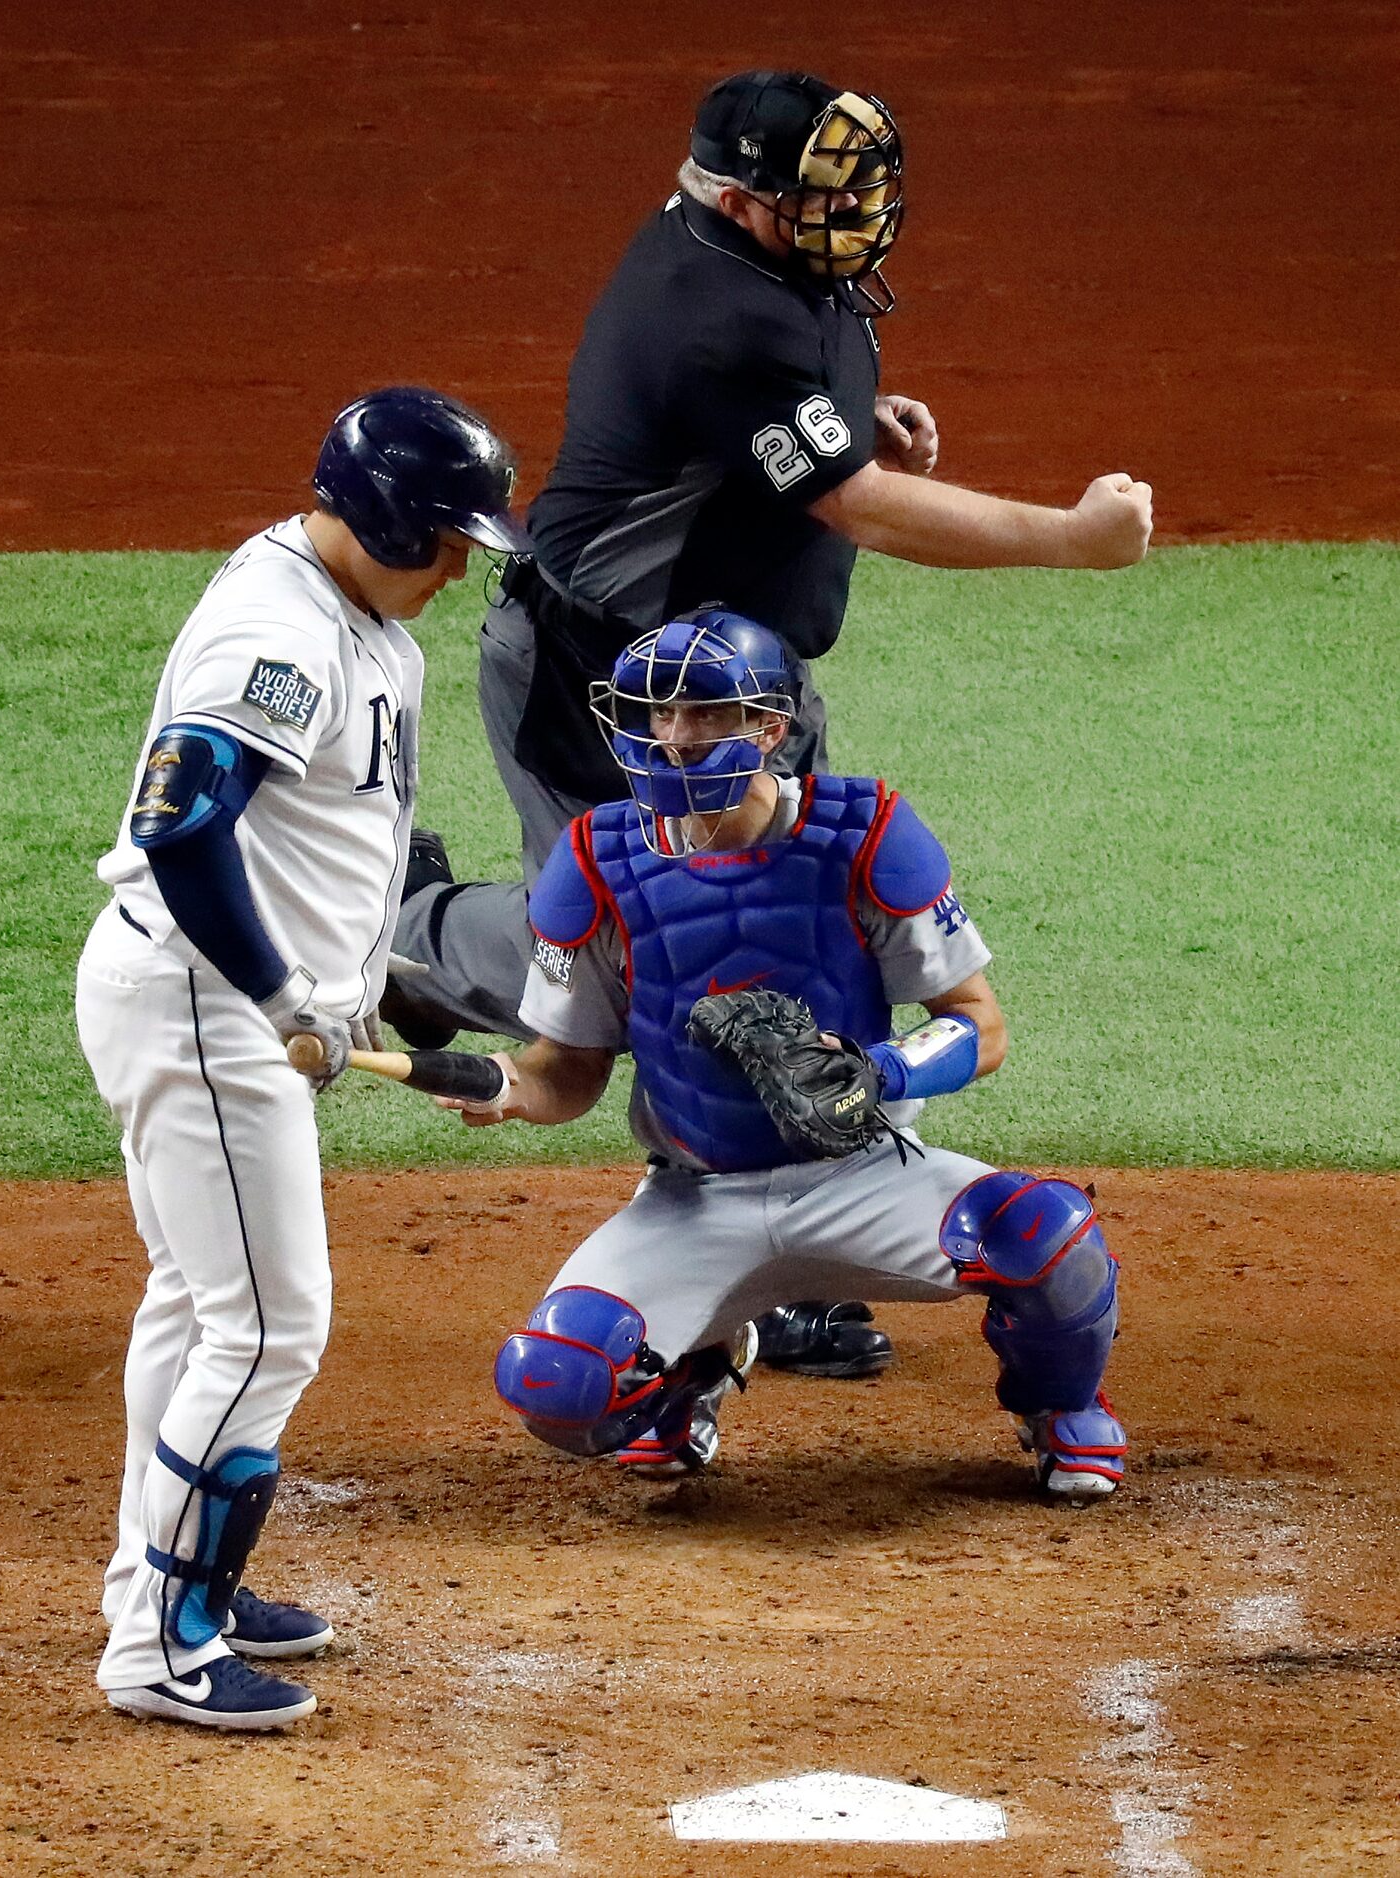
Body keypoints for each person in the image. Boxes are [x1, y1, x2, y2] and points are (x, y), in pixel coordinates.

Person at [388, 66, 1151, 1378]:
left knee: (779, 922)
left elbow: (802, 428)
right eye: (824, 194)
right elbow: (850, 504)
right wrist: (1073, 540)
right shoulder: (714, 315)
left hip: (736, 680)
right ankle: (412, 942)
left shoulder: (778, 266)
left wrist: (861, 420)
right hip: (612, 676)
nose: (857, 212)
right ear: (744, 204)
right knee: (648, 930)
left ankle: (811, 1205)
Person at [75, 387, 530, 1732]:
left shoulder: (361, 616)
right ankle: (163, 1642)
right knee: (271, 1323)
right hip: (206, 1006)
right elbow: (184, 827)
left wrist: (361, 978)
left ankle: (159, 1583)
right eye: (446, 539)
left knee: (200, 1307)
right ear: (386, 517)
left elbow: (318, 835)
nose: (459, 567)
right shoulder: (277, 633)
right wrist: (284, 994)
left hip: (231, 1004)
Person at [438, 611, 1127, 1495]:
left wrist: (884, 1071)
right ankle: (693, 1366)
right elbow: (566, 1074)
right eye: (659, 717)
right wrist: (506, 1087)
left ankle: (1059, 1406)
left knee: (1047, 1239)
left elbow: (979, 1025)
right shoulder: (596, 863)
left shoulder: (863, 833)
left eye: (705, 716)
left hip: (866, 1178)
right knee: (556, 1385)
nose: (676, 740)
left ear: (769, 728)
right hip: (696, 1199)